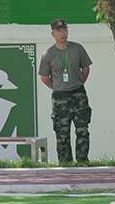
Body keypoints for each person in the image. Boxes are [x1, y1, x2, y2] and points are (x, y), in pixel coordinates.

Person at [38, 19, 93, 163]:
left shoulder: (77, 49)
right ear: (53, 34)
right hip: (60, 98)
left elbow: (86, 69)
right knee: (62, 134)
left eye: (65, 30)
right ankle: (65, 164)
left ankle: (82, 162)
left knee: (82, 131)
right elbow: (44, 77)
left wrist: (78, 83)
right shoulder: (48, 54)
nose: (63, 33)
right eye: (59, 31)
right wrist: (58, 87)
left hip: (79, 95)